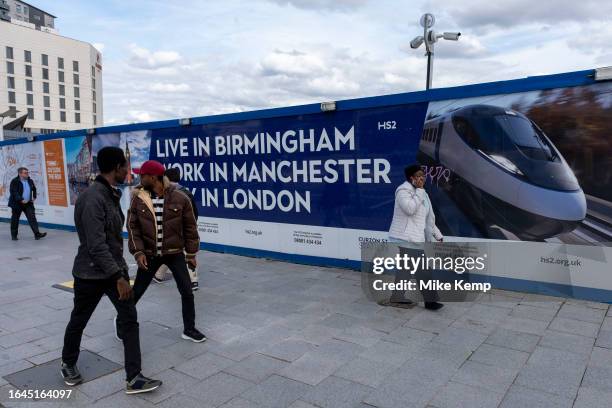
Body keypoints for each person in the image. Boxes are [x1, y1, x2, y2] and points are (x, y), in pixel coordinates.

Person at [60, 147, 162, 393]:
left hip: (113, 270)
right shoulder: (93, 198)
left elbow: (111, 240)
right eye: (125, 166)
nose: (128, 171)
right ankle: (68, 362)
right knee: (79, 320)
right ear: (117, 167)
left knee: (129, 319)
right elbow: (96, 245)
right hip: (91, 274)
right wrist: (118, 277)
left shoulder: (108, 194)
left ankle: (134, 377)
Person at [124, 160, 206, 343]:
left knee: (187, 291)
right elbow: (132, 227)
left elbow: (190, 228)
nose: (139, 177)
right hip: (149, 255)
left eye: (142, 175)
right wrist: (138, 253)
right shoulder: (139, 199)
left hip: (175, 253)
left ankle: (189, 329)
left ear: (153, 177)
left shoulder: (180, 198)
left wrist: (191, 254)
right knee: (137, 292)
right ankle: (122, 321)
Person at [387, 164, 444, 311]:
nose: (422, 178)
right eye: (418, 175)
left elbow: (427, 218)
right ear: (411, 177)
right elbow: (410, 209)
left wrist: (437, 234)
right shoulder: (403, 191)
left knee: (406, 270)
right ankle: (430, 302)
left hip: (414, 238)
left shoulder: (422, 193)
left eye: (423, 175)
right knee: (423, 270)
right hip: (405, 238)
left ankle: (397, 296)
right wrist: (419, 191)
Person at [151, 167, 199, 291]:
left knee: (172, 251)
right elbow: (194, 213)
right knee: (181, 252)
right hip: (185, 228)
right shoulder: (187, 192)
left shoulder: (165, 193)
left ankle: (193, 281)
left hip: (172, 230)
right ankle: (159, 275)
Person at [8, 167, 46, 240]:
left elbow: (34, 189)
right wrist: (21, 200)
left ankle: (37, 234)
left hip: (28, 203)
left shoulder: (30, 180)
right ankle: (14, 236)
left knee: (32, 218)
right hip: (17, 204)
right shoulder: (14, 181)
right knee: (15, 220)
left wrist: (34, 196)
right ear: (20, 174)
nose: (27, 174)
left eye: (27, 172)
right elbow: (14, 192)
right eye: (25, 173)